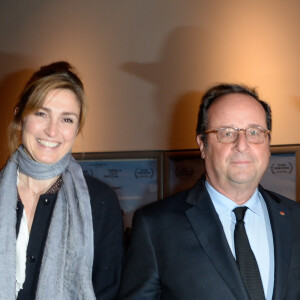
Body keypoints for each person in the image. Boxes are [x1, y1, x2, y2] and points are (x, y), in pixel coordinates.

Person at [118, 83, 300, 300]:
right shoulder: (156, 227)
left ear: (267, 143)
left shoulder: (295, 219)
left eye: (254, 132)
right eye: (226, 132)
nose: (242, 145)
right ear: (202, 145)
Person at [0, 61, 124, 299]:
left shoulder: (100, 202)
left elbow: (108, 290)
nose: (52, 131)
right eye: (41, 114)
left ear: (77, 128)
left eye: (66, 119)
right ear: (19, 117)